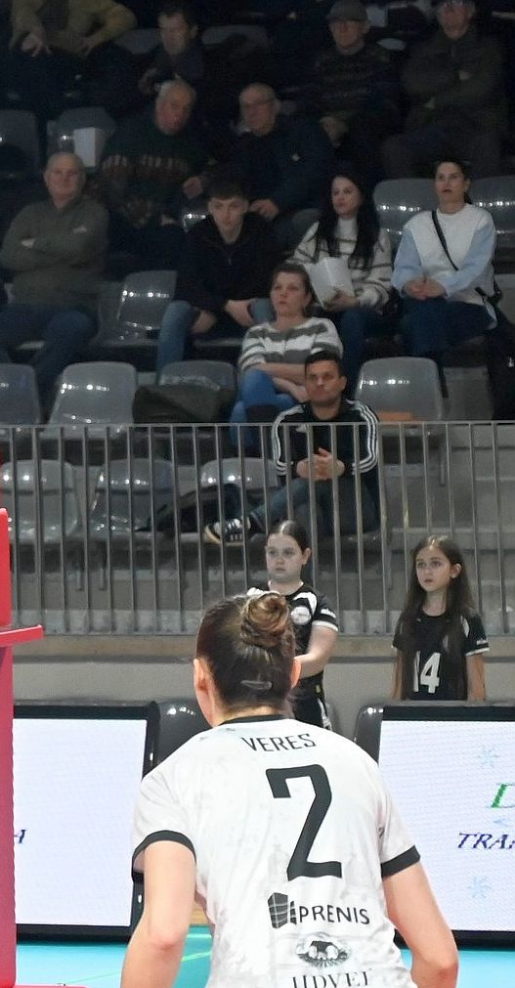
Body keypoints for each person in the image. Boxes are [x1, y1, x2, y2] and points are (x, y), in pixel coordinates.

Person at [124, 591, 459, 988]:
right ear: (295, 674)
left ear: (200, 675)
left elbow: (163, 934)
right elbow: (440, 960)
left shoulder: (175, 777)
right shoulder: (357, 764)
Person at [0, 151, 106, 403]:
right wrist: (61, 250)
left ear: (82, 179)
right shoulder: (29, 214)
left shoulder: (94, 213)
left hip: (73, 307)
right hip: (24, 308)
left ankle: (26, 394)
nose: (64, 178)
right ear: (46, 177)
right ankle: (14, 387)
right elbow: (9, 256)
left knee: (73, 328)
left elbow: (79, 248)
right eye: (58, 172)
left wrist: (34, 243)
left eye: (71, 173)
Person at [207, 350, 380, 546]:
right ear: (305, 383)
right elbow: (280, 465)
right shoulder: (287, 419)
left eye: (327, 377)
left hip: (355, 509)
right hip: (309, 507)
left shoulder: (361, 415)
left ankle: (253, 522)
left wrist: (340, 468)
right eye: (313, 378)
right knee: (304, 505)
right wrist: (299, 468)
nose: (320, 383)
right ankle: (304, 567)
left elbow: (371, 459)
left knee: (317, 479)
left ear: (342, 383)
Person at [262, 171, 394, 383]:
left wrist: (354, 301)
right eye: (336, 193)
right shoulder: (319, 230)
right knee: (306, 314)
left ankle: (346, 384)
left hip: (361, 308)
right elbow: (295, 264)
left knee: (352, 318)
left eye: (347, 192)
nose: (340, 197)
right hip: (323, 303)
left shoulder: (377, 236)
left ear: (361, 197)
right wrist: (312, 275)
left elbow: (381, 285)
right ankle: (304, 382)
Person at [155, 176, 278, 371]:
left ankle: (268, 377)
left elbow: (265, 280)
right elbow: (185, 285)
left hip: (246, 310)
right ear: (210, 208)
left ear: (245, 207)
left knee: (263, 306)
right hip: (209, 312)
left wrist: (226, 305)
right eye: (219, 207)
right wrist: (222, 305)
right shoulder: (197, 235)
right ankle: (164, 382)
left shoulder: (261, 232)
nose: (226, 214)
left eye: (233, 206)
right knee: (175, 311)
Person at [381, 0, 506, 180]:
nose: (448, 9)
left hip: (474, 124)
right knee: (394, 148)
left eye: (456, 3)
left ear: (470, 11)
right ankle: (417, 200)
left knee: (488, 144)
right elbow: (412, 84)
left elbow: (482, 88)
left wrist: (436, 100)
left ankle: (476, 201)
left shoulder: (489, 47)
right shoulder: (423, 49)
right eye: (442, 5)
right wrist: (454, 76)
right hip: (430, 125)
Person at [391, 158, 497, 370]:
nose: (446, 183)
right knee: (426, 313)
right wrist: (411, 284)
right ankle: (433, 379)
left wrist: (443, 287)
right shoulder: (416, 225)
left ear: (465, 184)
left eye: (453, 177)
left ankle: (428, 379)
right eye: (441, 178)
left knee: (414, 324)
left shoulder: (481, 220)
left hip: (469, 303)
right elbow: (405, 267)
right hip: (425, 302)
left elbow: (476, 268)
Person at [97, 79, 207, 270]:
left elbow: (215, 167)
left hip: (166, 220)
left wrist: (204, 180)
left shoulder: (189, 143)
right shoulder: (131, 133)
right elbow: (113, 190)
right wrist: (153, 218)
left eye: (186, 109)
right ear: (159, 105)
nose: (180, 114)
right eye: (174, 106)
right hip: (123, 219)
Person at [246, 520, 339, 729]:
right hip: (257, 702)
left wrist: (273, 672)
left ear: (305, 556)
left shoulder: (318, 603)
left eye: (288, 553)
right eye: (272, 553)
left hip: (306, 705)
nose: (279, 560)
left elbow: (317, 659)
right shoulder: (249, 599)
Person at [230, 263, 344, 428]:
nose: (283, 293)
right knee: (254, 384)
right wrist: (291, 387)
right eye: (277, 288)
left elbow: (320, 373)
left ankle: (267, 444)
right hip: (284, 394)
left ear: (307, 298)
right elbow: (250, 373)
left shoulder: (322, 327)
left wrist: (266, 370)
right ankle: (271, 443)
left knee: (241, 411)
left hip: (309, 400)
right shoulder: (256, 333)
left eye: (293, 288)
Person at [303, 0, 400, 180]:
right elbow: (308, 100)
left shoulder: (381, 58)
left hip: (364, 131)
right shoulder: (320, 62)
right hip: (325, 130)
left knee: (365, 135)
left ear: (365, 27)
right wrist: (323, 123)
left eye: (350, 21)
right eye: (336, 23)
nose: (342, 28)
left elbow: (386, 105)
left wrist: (345, 125)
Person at [5, 0, 138, 120]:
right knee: (32, 58)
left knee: (116, 62)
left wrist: (98, 37)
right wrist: (36, 30)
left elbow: (124, 16)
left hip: (67, 56)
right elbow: (23, 12)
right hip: (30, 51)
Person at [230, 84, 335, 239]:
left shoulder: (303, 130)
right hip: (258, 215)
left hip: (300, 208)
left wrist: (278, 202)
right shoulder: (243, 145)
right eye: (246, 107)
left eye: (259, 104)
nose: (252, 112)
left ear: (275, 106)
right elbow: (233, 177)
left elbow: (316, 171)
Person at [392, 534, 489, 701]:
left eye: (435, 563)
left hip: (452, 715)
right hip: (414, 714)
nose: (427, 571)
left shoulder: (467, 620)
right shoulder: (408, 620)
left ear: (454, 570)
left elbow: (477, 688)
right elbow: (398, 685)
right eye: (420, 564)